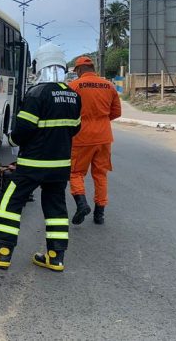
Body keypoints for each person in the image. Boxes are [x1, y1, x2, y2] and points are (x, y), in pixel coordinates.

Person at [0, 43, 81, 271]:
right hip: (60, 166)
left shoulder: (37, 94)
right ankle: (55, 257)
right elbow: (75, 129)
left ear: (39, 64)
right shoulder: (73, 95)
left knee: (10, 202)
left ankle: (1, 252)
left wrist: (9, 141)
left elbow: (23, 131)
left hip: (33, 164)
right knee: (56, 208)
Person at [68, 56, 121, 225]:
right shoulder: (109, 85)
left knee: (76, 173)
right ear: (92, 68)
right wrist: (101, 121)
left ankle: (81, 203)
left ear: (80, 70)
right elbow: (116, 112)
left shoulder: (74, 86)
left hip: (81, 136)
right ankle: (100, 214)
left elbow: (67, 112)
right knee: (100, 174)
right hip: (104, 137)